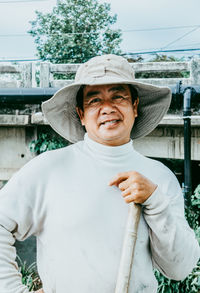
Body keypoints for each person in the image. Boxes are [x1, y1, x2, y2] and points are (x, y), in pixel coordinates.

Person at [0, 54, 199, 293]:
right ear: (81, 114)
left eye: (118, 96)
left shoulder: (160, 178)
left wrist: (155, 202)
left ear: (134, 107)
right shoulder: (49, 168)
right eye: (94, 100)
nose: (107, 108)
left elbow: (180, 269)